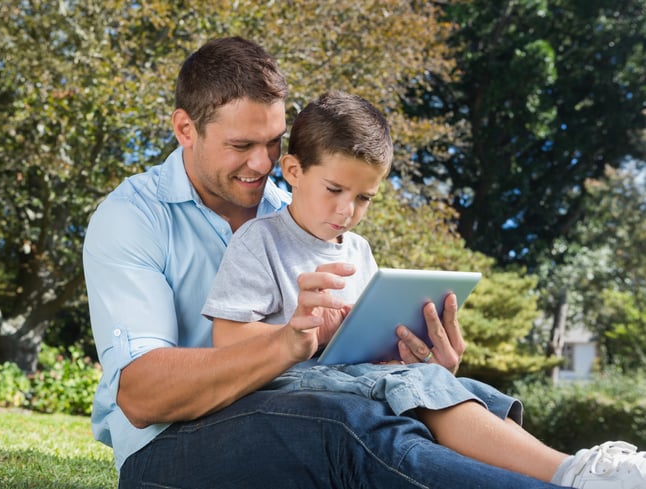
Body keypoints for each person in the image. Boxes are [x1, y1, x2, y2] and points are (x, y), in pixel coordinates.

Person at [81, 35, 626, 488]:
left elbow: (349, 357)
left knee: (446, 396)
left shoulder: (298, 207)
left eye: (272, 144)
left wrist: (415, 366)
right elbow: (141, 394)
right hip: (169, 448)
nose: (262, 163)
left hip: (294, 408)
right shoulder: (133, 218)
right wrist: (289, 342)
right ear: (185, 129)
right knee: (347, 423)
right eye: (241, 145)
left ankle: (570, 474)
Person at [203, 90, 646, 488]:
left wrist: (405, 350)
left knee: (459, 387)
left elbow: (367, 351)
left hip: (350, 379)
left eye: (364, 198)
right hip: (287, 393)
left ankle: (567, 472)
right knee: (417, 387)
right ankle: (576, 473)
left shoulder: (358, 250)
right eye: (335, 189)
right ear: (294, 170)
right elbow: (227, 342)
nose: (347, 210)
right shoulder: (260, 240)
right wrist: (306, 333)